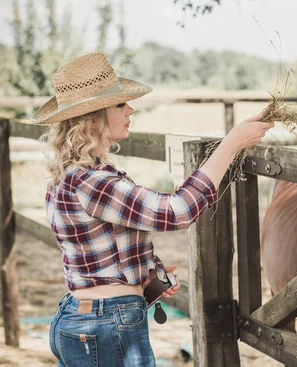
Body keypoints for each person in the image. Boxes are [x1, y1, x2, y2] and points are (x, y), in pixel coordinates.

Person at [32, 52, 274, 366]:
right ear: (93, 118)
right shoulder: (94, 183)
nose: (130, 109)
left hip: (85, 320)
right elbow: (177, 211)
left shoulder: (71, 176)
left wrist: (147, 279)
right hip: (105, 327)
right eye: (120, 104)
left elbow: (98, 254)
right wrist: (230, 145)